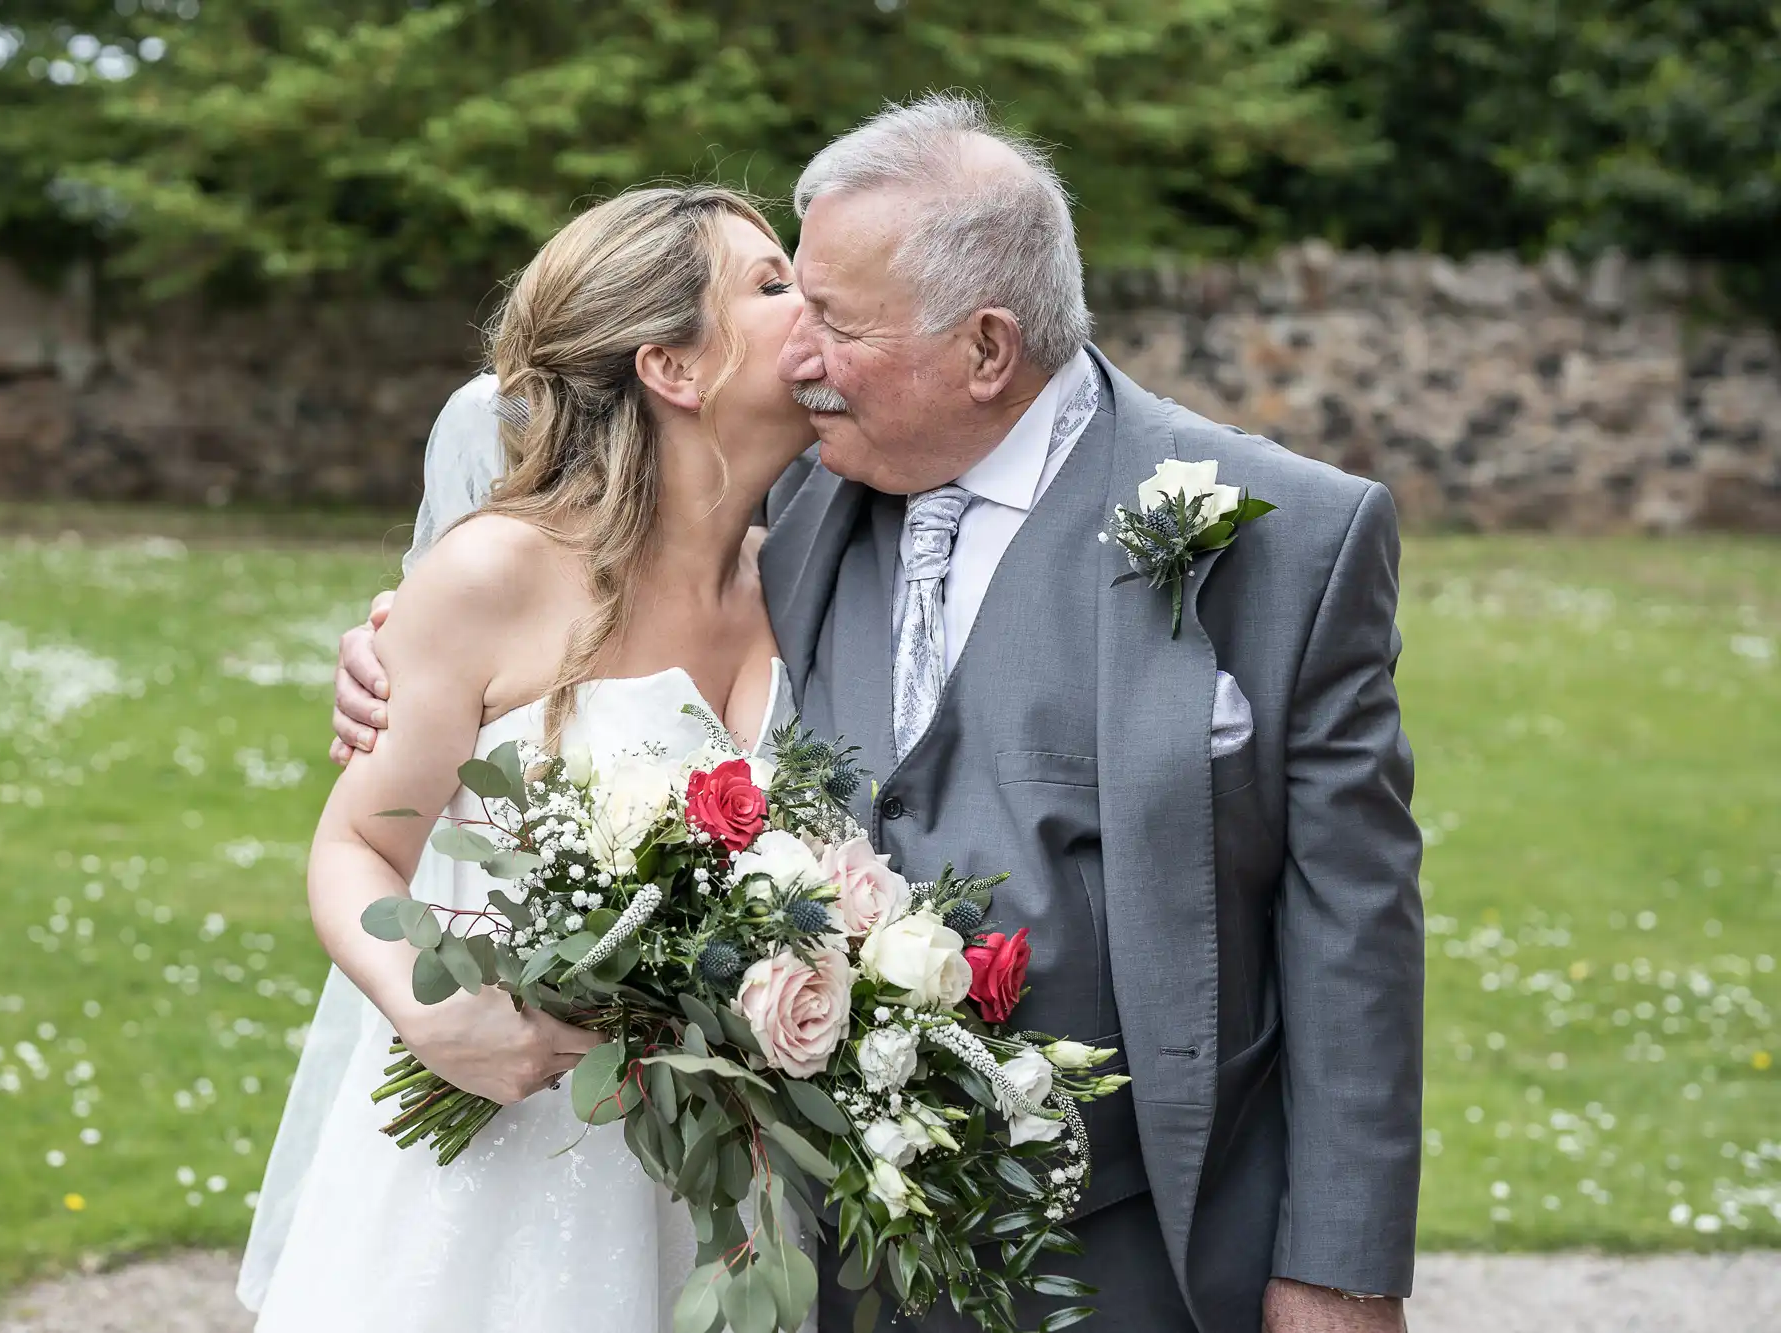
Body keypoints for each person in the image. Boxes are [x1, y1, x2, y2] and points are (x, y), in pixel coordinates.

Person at [330, 96, 1424, 1333]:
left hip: (1136, 1245)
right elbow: (587, 570)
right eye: (784, 297)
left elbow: (1352, 929)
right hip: (800, 1240)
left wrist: (1338, 1273)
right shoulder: (791, 484)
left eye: (835, 320)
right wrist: (403, 646)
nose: (801, 355)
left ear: (985, 349)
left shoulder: (1282, 538)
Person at [238, 184, 819, 1332]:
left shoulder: (806, 578)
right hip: (499, 1157)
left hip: (724, 1182)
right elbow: (356, 841)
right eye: (772, 283)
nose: (817, 301)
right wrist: (429, 1012)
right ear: (674, 368)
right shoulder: (496, 572)